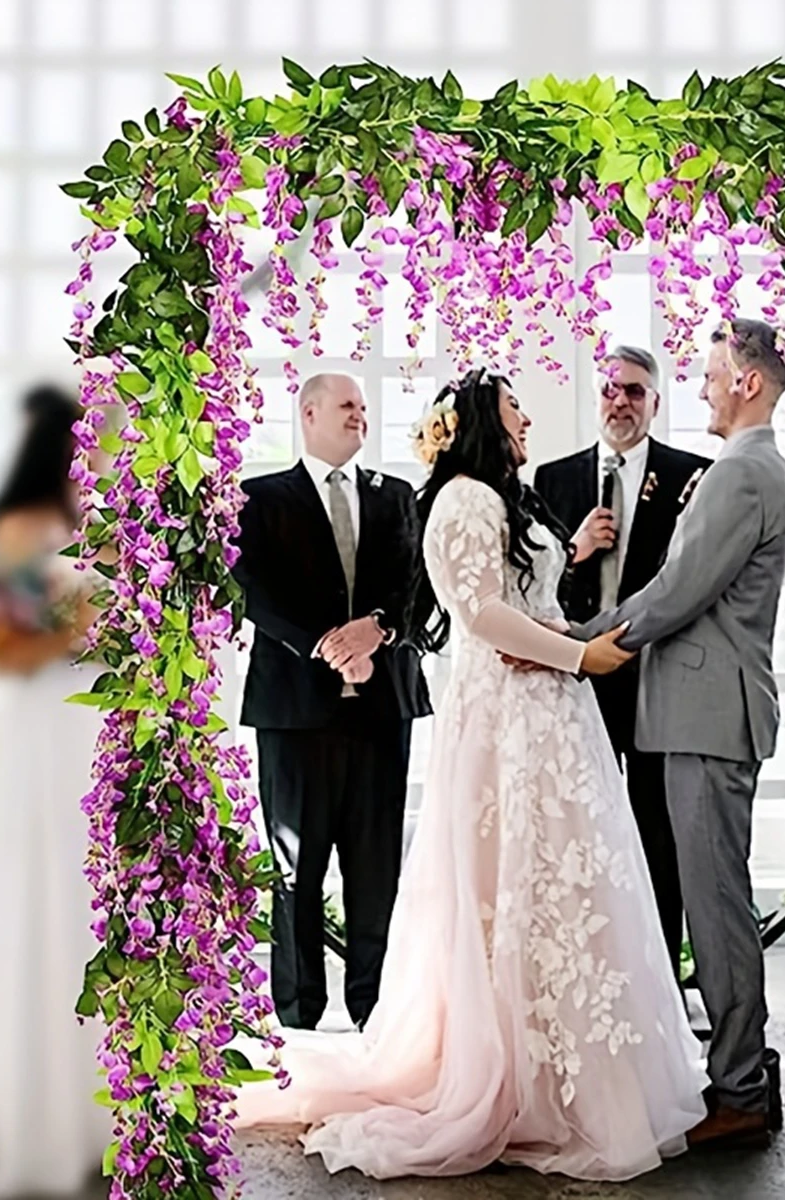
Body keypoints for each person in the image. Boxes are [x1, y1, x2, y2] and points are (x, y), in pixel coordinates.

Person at [235, 368, 708, 1180]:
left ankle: (566, 1066)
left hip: (551, 712)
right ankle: (501, 1073)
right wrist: (579, 654)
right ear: (486, 422)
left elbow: (527, 595)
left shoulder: (504, 499)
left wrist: (574, 619)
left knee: (561, 888)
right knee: (504, 886)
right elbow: (483, 617)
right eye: (516, 410)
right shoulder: (459, 500)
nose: (528, 421)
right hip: (509, 717)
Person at [575, 318, 785, 1149]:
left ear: (746, 382)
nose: (702, 388)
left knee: (715, 907)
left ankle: (738, 1089)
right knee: (714, 901)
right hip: (698, 713)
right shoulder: (748, 467)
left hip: (708, 717)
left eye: (709, 376)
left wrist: (583, 644)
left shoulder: (742, 473)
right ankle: (745, 1074)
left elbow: (675, 591)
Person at [234, 373, 431, 1032]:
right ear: (309, 412)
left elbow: (416, 584)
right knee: (297, 871)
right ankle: (297, 1015)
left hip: (382, 715)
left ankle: (376, 1014)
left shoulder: (397, 496)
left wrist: (378, 630)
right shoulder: (259, 498)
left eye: (365, 408)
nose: (361, 416)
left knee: (376, 872)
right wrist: (322, 643)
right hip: (293, 715)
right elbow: (252, 590)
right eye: (348, 405)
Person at [0, 384, 111, 1195]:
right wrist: (84, 621)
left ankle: (98, 1109)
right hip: (46, 721)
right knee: (47, 901)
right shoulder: (23, 528)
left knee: (88, 908)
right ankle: (41, 1116)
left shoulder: (103, 525)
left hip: (91, 730)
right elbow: (0, 642)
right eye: (96, 436)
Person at [533, 346, 710, 978]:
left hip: (658, 676)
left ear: (656, 404)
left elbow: (692, 581)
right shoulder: (551, 479)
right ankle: (591, 970)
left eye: (635, 392)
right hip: (577, 672)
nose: (621, 402)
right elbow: (530, 583)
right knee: (584, 828)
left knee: (657, 835)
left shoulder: (695, 475)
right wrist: (573, 551)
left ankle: (660, 977)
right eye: (610, 390)